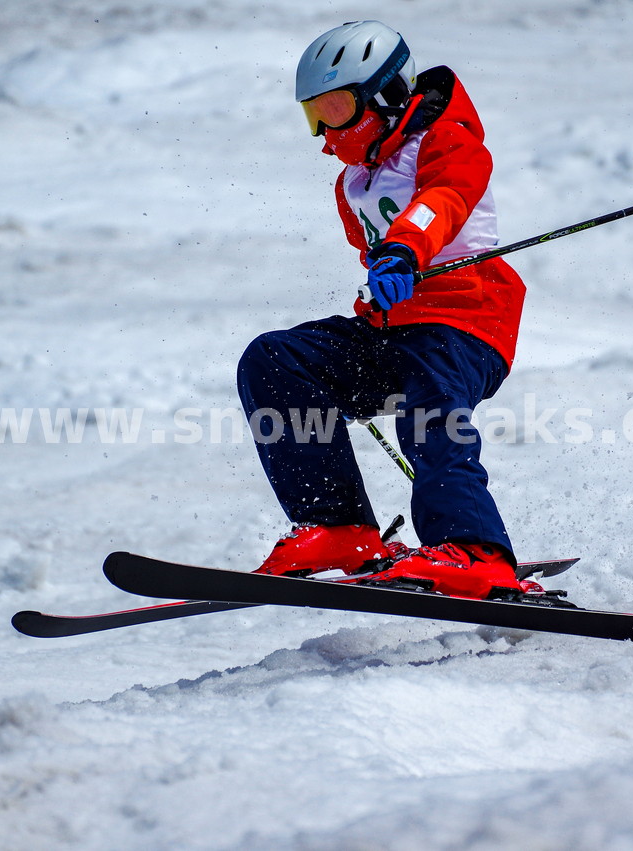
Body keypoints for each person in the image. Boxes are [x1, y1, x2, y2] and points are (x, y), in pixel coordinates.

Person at [237, 20, 534, 601]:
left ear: (388, 95)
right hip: (393, 328)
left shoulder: (449, 142)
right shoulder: (352, 183)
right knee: (276, 360)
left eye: (336, 107)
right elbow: (376, 257)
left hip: (468, 318)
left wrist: (402, 249)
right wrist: (381, 282)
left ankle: (475, 552)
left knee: (429, 401)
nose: (324, 131)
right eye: (312, 115)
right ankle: (339, 528)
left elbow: (442, 201)